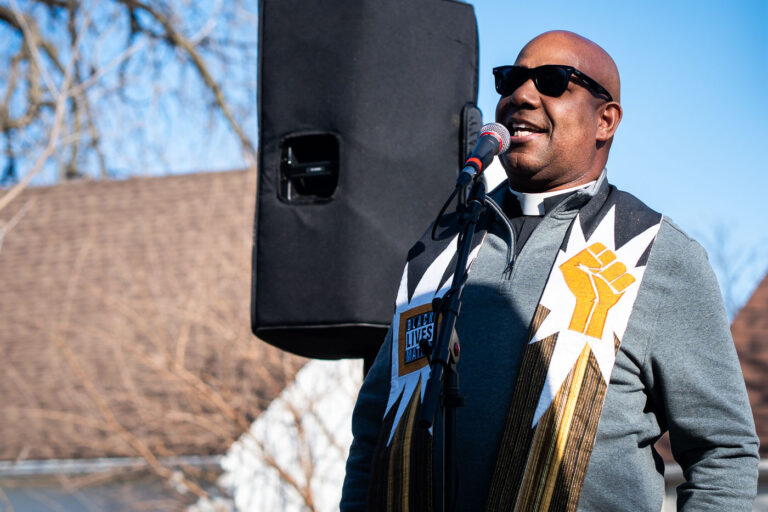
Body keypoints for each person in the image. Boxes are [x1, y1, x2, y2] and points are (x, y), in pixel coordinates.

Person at [341, 30, 759, 511]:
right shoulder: (442, 248)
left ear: (606, 120)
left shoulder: (654, 252)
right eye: (511, 79)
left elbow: (723, 453)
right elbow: (375, 428)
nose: (521, 95)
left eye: (554, 81)